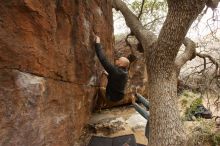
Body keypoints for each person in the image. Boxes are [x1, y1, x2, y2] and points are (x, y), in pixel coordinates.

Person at [94, 35, 130, 102]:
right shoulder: (124, 72)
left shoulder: (116, 71)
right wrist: (107, 74)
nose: (117, 60)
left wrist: (97, 43)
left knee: (100, 89)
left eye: (119, 60)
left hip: (112, 98)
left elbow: (103, 59)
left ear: (121, 64)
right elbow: (115, 80)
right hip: (119, 97)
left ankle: (102, 104)